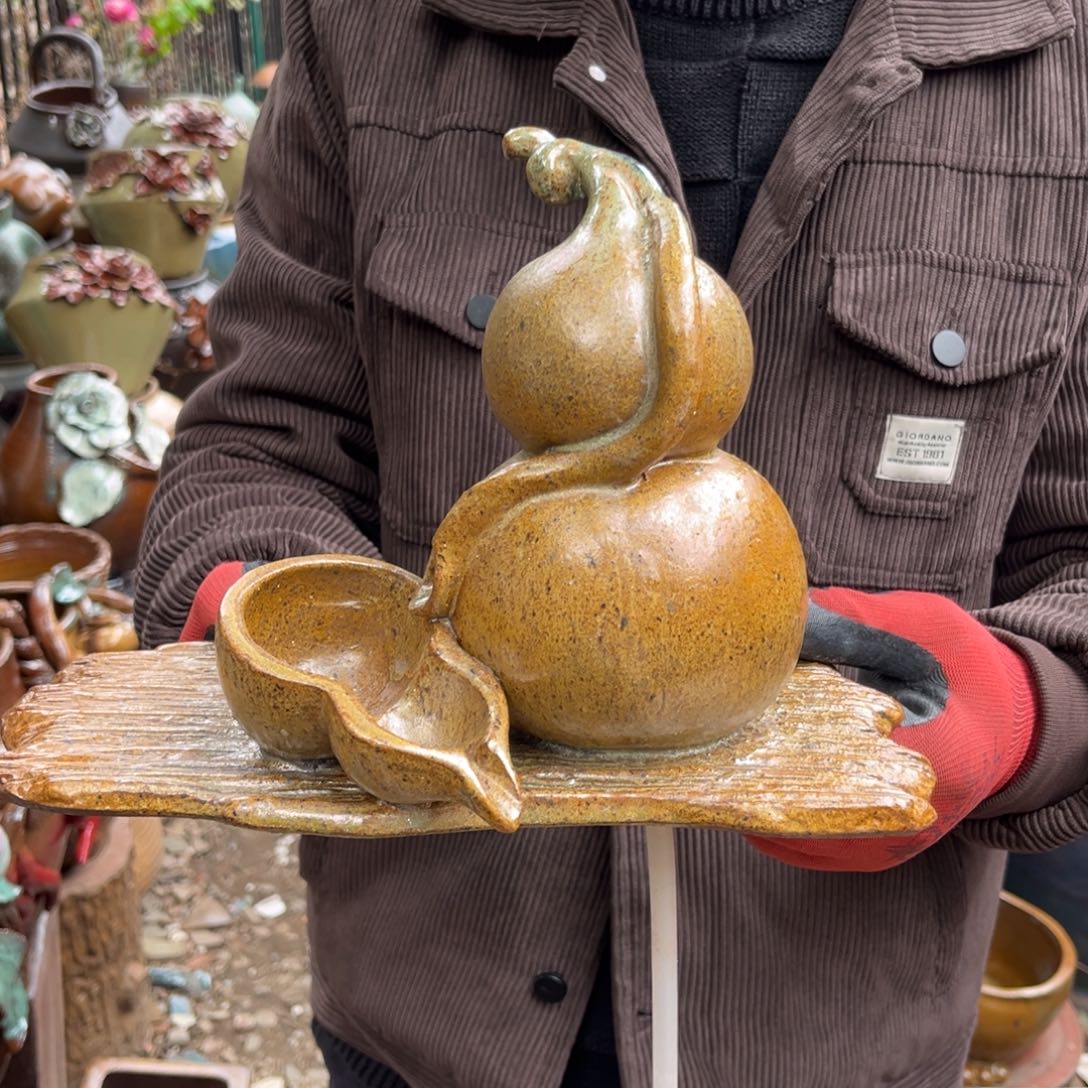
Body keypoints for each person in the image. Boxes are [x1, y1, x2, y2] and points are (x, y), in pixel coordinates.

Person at [134, 1, 1088, 1085]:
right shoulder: (370, 25)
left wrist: (1019, 707)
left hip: (832, 1027)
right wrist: (276, 624)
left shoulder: (1057, 62)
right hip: (435, 1009)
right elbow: (253, 440)